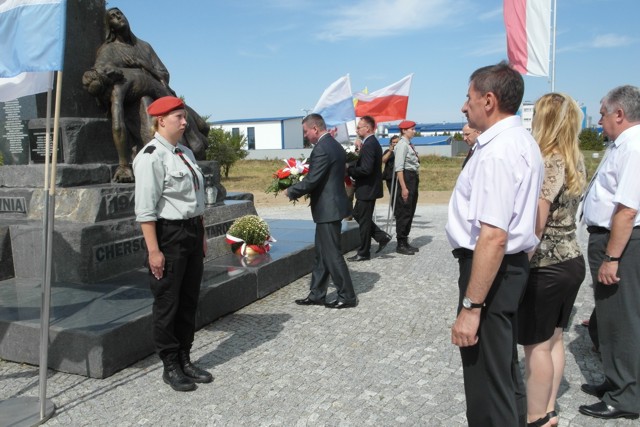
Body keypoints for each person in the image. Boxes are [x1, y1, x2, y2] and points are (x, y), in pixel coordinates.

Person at [446, 61, 543, 427]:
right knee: (500, 375)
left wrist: (472, 307)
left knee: (487, 382)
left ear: (488, 100)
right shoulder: (518, 142)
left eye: (468, 97)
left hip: (490, 270)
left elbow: (494, 234)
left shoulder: (500, 150)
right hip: (504, 269)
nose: (463, 106)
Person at [133, 96, 212, 392]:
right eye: (178, 116)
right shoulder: (151, 156)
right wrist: (154, 251)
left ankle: (185, 358)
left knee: (189, 300)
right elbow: (145, 210)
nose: (185, 121)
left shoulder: (185, 153)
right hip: (168, 237)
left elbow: (196, 202)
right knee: (168, 303)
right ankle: (170, 365)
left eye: (183, 116)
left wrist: (201, 236)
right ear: (160, 120)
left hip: (191, 234)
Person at [517, 93, 587, 427]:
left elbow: (537, 223)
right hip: (573, 258)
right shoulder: (577, 158)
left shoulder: (549, 160)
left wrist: (518, 267)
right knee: (555, 338)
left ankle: (536, 417)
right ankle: (550, 409)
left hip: (546, 266)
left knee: (536, 346)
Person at [84, 7, 209, 182]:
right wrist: (123, 165)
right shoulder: (108, 51)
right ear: (109, 26)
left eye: (119, 13)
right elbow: (101, 71)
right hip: (139, 105)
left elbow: (163, 74)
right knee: (194, 146)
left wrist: (143, 65)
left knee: (203, 126)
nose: (118, 16)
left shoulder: (144, 46)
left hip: (163, 95)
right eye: (112, 16)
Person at [579, 85, 640, 421]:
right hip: (613, 239)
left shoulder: (633, 145)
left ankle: (626, 396)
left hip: (621, 243)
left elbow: (627, 208)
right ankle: (618, 380)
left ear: (619, 113)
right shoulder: (624, 144)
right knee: (612, 316)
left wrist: (613, 257)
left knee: (620, 320)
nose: (599, 120)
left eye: (603, 113)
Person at [287, 114, 357, 309]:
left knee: (332, 253)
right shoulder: (335, 145)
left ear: (315, 129)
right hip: (331, 207)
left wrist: (290, 190)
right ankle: (317, 293)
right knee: (322, 252)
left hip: (328, 209)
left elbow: (313, 180)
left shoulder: (322, 149)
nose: (306, 135)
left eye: (306, 131)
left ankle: (347, 295)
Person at [347, 115, 391, 261]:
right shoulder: (369, 143)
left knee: (364, 221)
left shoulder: (371, 144)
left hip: (367, 188)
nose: (357, 129)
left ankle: (364, 252)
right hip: (366, 188)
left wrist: (349, 170)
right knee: (357, 214)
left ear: (367, 128)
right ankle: (381, 236)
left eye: (359, 127)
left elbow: (366, 169)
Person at [393, 120, 420, 255]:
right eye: (411, 129)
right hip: (406, 178)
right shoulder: (402, 145)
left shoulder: (409, 145)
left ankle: (405, 241)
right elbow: (399, 169)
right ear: (404, 130)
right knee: (404, 211)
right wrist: (404, 187)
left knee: (410, 210)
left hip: (413, 177)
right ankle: (400, 243)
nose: (414, 131)